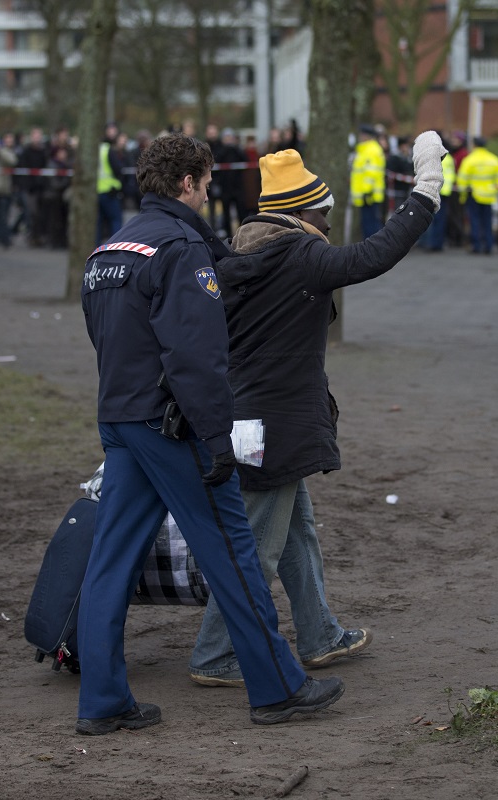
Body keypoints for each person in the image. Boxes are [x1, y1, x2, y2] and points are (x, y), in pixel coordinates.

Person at [76, 132, 344, 733]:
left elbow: (106, 338)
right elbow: (195, 356)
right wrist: (218, 440)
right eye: (204, 182)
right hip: (174, 429)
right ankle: (276, 688)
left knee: (109, 564)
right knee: (234, 555)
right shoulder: (179, 250)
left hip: (118, 422)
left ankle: (102, 701)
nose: (208, 192)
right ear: (187, 184)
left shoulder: (108, 251)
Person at [187, 134, 445, 688]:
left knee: (296, 530)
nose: (329, 225)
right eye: (324, 214)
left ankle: (320, 633)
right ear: (301, 213)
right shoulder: (298, 254)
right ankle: (213, 654)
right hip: (277, 425)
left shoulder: (242, 252)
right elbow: (372, 256)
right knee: (257, 543)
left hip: (250, 422)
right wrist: (425, 191)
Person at [456, 136, 498, 255]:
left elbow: (462, 179)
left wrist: (462, 196)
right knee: (488, 221)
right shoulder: (494, 159)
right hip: (489, 196)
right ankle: (488, 245)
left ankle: (476, 245)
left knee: (475, 221)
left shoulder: (470, 160)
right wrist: (494, 192)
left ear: (474, 145)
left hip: (474, 195)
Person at [350, 124, 386, 239]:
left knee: (371, 225)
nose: (360, 136)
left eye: (362, 134)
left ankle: (374, 250)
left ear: (366, 136)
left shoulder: (371, 150)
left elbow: (371, 173)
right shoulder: (365, 149)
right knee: (368, 224)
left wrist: (367, 192)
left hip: (369, 195)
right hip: (366, 195)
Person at [422, 144, 455, 252]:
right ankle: (438, 243)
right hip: (445, 192)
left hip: (436, 191)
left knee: (433, 219)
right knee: (441, 220)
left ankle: (433, 244)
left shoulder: (435, 158)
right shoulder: (449, 158)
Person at [96, 124, 125, 243]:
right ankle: (115, 248)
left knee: (99, 223)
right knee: (116, 221)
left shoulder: (98, 149)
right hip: (110, 190)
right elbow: (118, 170)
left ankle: (96, 248)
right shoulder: (109, 150)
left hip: (97, 190)